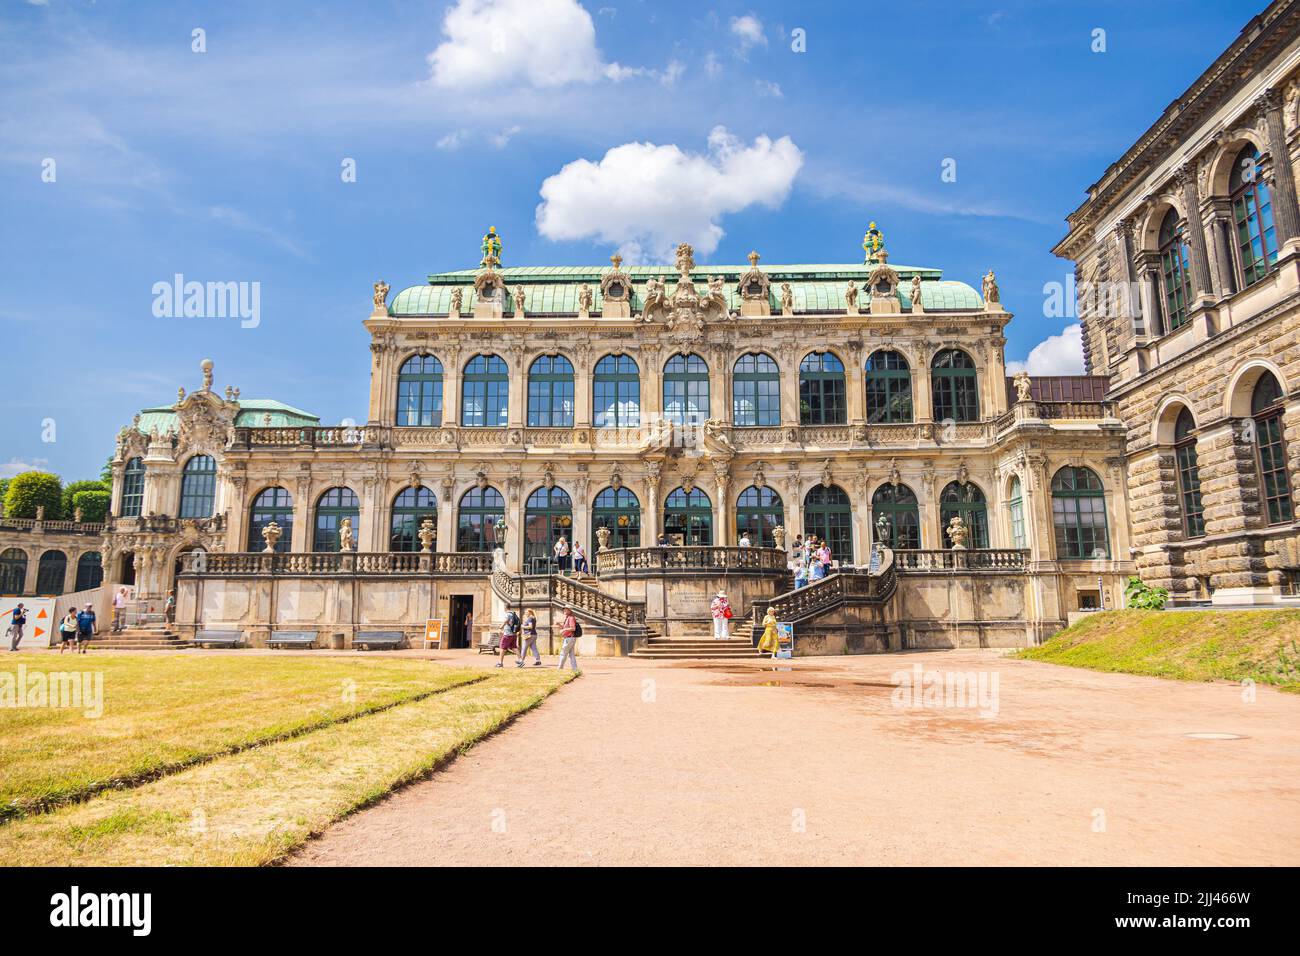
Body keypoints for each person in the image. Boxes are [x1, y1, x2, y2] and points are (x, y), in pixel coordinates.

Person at [558, 605, 580, 672]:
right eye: (564, 609)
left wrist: (564, 630)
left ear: (570, 610)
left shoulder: (571, 618)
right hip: (570, 638)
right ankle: (575, 669)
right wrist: (559, 625)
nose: (564, 610)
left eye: (566, 609)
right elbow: (566, 628)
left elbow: (573, 628)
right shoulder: (568, 618)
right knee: (571, 654)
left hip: (569, 638)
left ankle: (560, 668)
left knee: (563, 653)